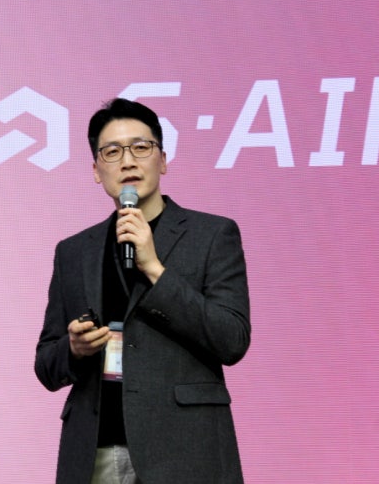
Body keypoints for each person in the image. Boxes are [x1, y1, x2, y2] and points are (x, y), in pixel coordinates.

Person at [34, 98, 251, 484]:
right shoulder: (73, 252)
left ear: (162, 160)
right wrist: (74, 348)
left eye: (140, 147)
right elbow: (46, 366)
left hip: (185, 453)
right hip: (95, 453)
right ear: (96, 170)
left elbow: (231, 340)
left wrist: (154, 268)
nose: (128, 161)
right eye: (112, 152)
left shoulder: (212, 235)